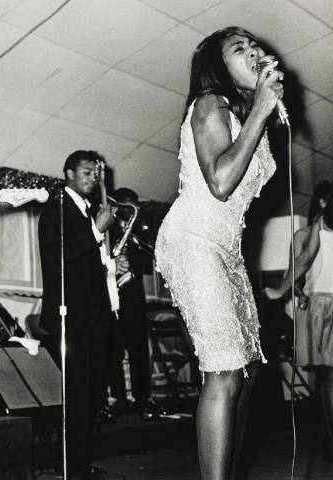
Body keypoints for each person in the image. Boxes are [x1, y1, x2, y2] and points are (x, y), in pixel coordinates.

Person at [154, 26, 284, 479]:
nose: (253, 52)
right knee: (225, 370)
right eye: (239, 48)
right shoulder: (210, 104)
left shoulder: (249, 114)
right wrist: (262, 111)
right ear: (217, 66)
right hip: (193, 239)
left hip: (226, 247)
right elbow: (221, 182)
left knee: (250, 374)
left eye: (254, 45)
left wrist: (263, 111)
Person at [38, 150, 116, 479]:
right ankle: (68, 466)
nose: (93, 178)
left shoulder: (85, 211)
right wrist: (97, 231)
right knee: (75, 398)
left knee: (90, 398)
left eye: (96, 173)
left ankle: (79, 465)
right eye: (87, 172)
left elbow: (83, 264)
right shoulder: (56, 207)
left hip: (92, 319)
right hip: (70, 317)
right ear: (69, 173)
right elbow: (58, 254)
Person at [264, 180, 333, 461]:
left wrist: (280, 289)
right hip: (321, 302)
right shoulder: (315, 224)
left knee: (329, 379)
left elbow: (304, 259)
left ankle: (331, 444)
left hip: (325, 304)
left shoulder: (322, 222)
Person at [107, 188, 151, 415]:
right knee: (114, 350)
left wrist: (132, 251)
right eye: (128, 205)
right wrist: (115, 261)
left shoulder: (138, 232)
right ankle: (119, 398)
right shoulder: (107, 231)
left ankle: (142, 398)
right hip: (113, 298)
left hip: (134, 297)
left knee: (139, 350)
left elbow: (146, 264)